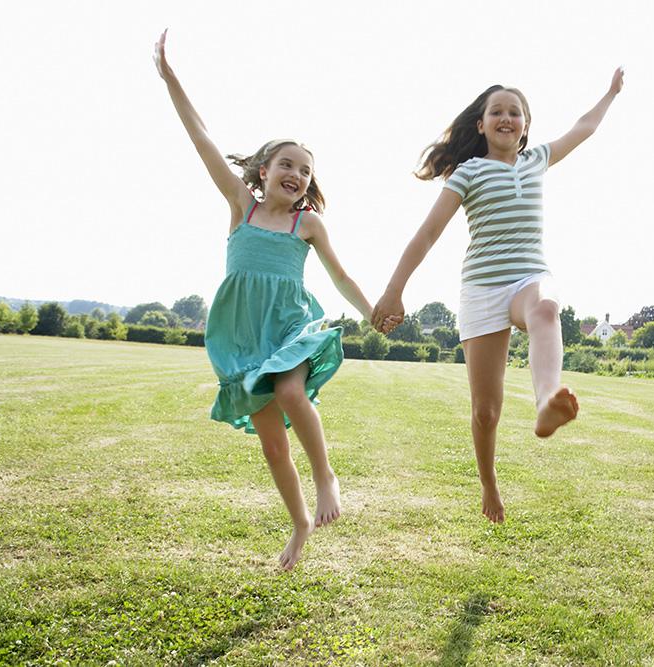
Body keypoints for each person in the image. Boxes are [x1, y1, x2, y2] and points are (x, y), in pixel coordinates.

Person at [154, 31, 397, 569]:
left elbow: (340, 276)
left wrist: (372, 312)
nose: (297, 174)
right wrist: (172, 79)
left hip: (290, 327)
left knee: (291, 390)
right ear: (264, 171)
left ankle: (326, 475)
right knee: (270, 446)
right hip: (245, 337)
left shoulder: (305, 223)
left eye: (305, 170)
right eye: (287, 164)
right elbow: (201, 139)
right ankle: (299, 523)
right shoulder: (240, 207)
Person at [372, 68, 625, 523]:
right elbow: (428, 233)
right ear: (482, 125)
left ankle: (548, 399)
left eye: (515, 112)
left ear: (526, 125)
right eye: (497, 112)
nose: (506, 117)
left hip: (528, 277)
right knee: (486, 411)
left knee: (547, 308)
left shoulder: (538, 159)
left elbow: (584, 127)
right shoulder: (467, 172)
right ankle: (488, 482)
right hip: (483, 289)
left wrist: (609, 93)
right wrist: (394, 291)